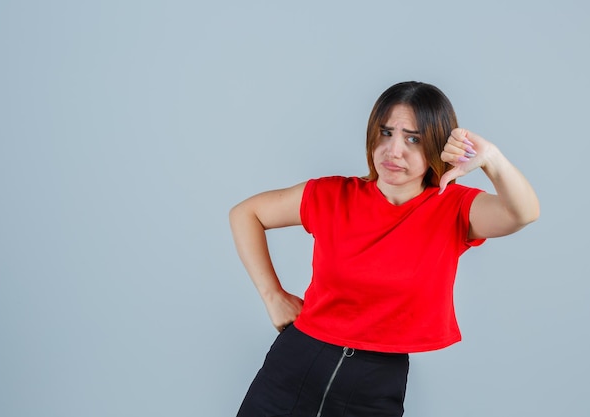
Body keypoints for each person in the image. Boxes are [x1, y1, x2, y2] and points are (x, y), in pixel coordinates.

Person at [229, 81, 539, 417]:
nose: (393, 151)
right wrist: (272, 296)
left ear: (436, 144)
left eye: (413, 139)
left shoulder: (454, 208)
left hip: (374, 385)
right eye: (386, 132)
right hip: (293, 368)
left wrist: (491, 158)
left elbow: (523, 212)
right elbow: (246, 213)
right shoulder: (331, 195)